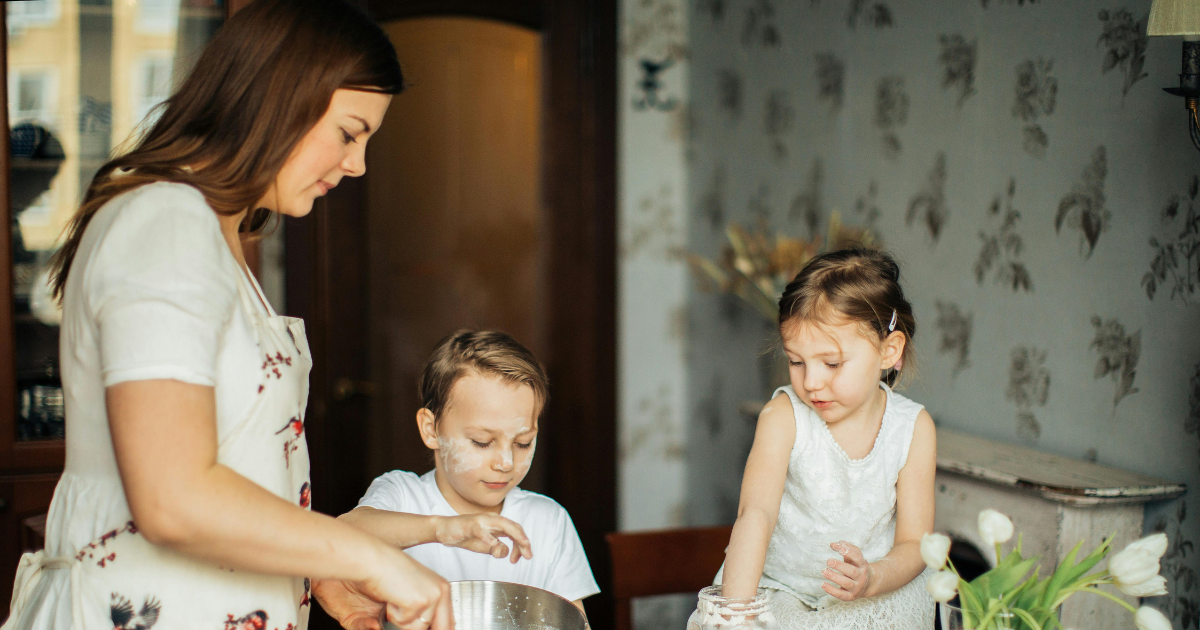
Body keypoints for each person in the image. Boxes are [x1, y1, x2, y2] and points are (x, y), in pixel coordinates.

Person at [1, 2, 457, 629]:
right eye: (350, 132)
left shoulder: (217, 237)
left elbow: (238, 469)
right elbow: (173, 498)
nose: (357, 164)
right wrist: (370, 558)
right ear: (278, 98)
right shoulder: (165, 222)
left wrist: (314, 569)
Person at [705, 248, 937, 629]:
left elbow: (915, 543)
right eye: (796, 361)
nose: (810, 382)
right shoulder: (784, 417)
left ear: (888, 350)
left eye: (831, 363)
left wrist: (873, 578)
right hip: (783, 591)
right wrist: (737, 612)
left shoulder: (913, 428)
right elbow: (755, 515)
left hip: (871, 593)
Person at [340, 331, 600, 613]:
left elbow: (574, 620)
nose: (506, 462)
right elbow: (344, 534)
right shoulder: (402, 496)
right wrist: (442, 528)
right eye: (482, 441)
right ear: (431, 430)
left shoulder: (547, 522)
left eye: (522, 443)